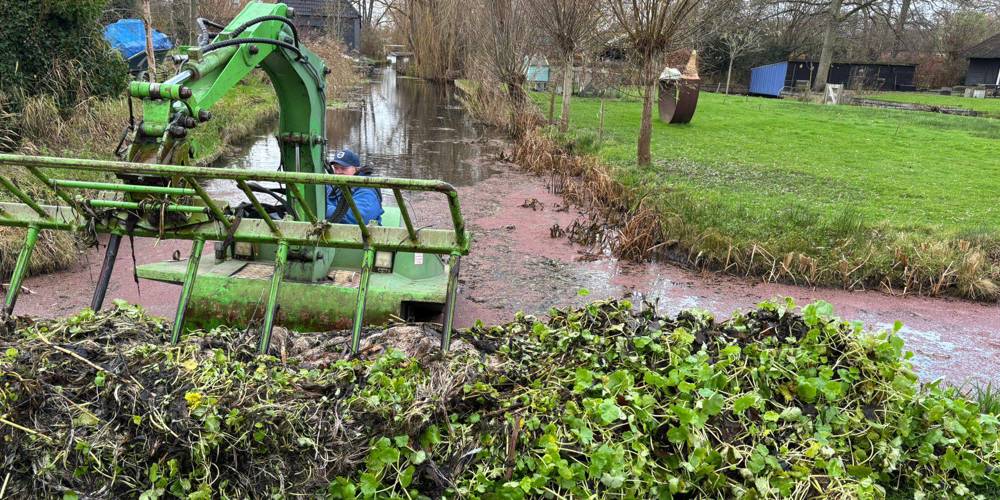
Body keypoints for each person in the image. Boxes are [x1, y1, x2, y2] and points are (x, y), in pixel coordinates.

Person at [325, 148, 383, 225]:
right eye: (336, 168)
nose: (338, 172)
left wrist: (322, 208)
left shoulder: (367, 189)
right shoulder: (335, 185)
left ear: (356, 169)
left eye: (343, 168)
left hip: (361, 235)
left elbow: (357, 218)